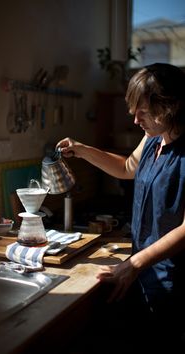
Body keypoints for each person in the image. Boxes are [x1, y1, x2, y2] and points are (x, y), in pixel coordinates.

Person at [56, 63, 185, 353]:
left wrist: (134, 264)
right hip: (141, 273)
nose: (135, 119)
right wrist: (83, 150)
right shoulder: (153, 138)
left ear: (171, 106)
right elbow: (128, 167)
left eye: (143, 111)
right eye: (133, 110)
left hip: (173, 284)